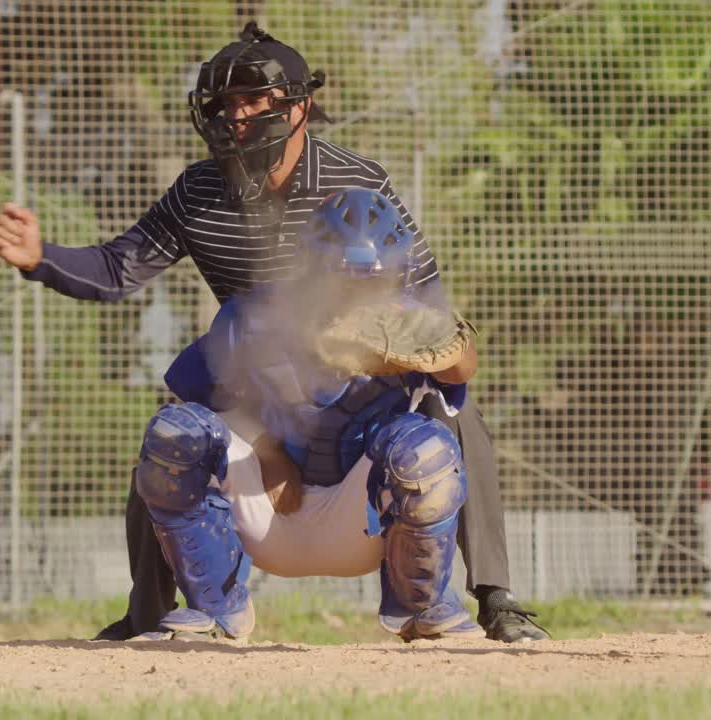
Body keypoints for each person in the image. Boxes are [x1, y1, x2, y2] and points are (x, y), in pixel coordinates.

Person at [0, 21, 546, 643]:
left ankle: (495, 599)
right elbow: (121, 268)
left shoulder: (357, 185)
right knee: (175, 429)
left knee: (454, 418)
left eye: (254, 99)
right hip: (256, 380)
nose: (237, 114)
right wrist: (41, 258)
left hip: (359, 391)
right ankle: (156, 611)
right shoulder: (200, 189)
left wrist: (408, 350)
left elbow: (425, 306)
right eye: (226, 102)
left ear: (299, 107)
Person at [132, 187, 482, 642]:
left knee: (426, 448)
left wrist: (416, 356)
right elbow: (197, 399)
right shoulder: (256, 315)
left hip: (364, 523)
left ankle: (424, 606)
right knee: (176, 435)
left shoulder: (409, 323)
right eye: (343, 275)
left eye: (373, 276)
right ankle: (215, 608)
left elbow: (462, 366)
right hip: (267, 515)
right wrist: (266, 447)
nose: (359, 289)